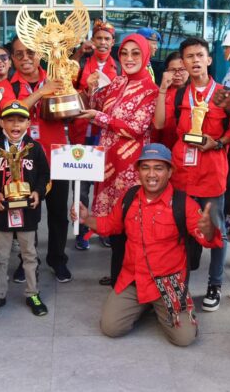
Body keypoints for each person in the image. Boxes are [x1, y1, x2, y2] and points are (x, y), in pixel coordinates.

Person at [72, 143, 221, 346]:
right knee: (111, 328)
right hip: (133, 279)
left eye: (158, 168)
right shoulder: (129, 197)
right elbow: (111, 225)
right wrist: (87, 218)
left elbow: (208, 240)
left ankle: (160, 306)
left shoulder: (183, 204)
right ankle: (148, 306)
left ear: (170, 172)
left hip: (168, 283)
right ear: (138, 171)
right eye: (145, 168)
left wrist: (209, 228)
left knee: (184, 338)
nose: (151, 174)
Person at [153, 37, 230, 312]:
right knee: (181, 230)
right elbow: (161, 124)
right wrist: (163, 90)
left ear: (209, 60)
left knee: (217, 231)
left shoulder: (224, 94)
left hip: (212, 173)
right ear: (184, 63)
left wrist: (219, 143)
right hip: (182, 173)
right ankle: (180, 281)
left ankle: (215, 284)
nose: (195, 60)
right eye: (189, 57)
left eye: (200, 55)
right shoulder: (179, 94)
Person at [76, 33, 158, 286]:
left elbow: (136, 128)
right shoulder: (117, 82)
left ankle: (131, 279)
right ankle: (117, 275)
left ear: (145, 56)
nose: (129, 58)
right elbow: (96, 103)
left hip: (130, 166)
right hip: (109, 162)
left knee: (131, 221)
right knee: (114, 222)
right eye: (124, 53)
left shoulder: (151, 90)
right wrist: (90, 88)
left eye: (136, 53)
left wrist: (99, 117)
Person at [0, 36, 72, 283]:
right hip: (24, 159)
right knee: (27, 214)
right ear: (12, 58)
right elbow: (10, 112)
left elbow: (73, 108)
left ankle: (57, 259)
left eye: (30, 52)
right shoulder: (7, 85)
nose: (25, 58)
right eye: (19, 54)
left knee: (58, 213)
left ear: (40, 54)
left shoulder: (57, 77)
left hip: (57, 156)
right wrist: (40, 92)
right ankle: (28, 261)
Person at [0, 101, 50, 316]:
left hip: (28, 210)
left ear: (28, 124)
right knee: (1, 256)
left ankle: (32, 293)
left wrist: (38, 192)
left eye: (20, 120)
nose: (15, 125)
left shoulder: (35, 148)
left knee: (29, 254)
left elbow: (44, 175)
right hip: (2, 210)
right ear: (1, 123)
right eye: (10, 120)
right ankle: (0, 293)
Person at [70, 19, 119, 250]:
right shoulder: (81, 63)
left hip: (106, 134)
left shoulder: (119, 67)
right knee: (81, 186)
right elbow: (66, 87)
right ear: (93, 40)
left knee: (106, 184)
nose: (102, 42)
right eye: (98, 38)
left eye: (107, 39)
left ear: (113, 42)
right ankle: (81, 231)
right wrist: (85, 88)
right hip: (82, 133)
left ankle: (105, 228)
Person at [151, 51, 188, 150]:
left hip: (187, 148)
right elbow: (157, 127)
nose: (177, 74)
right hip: (163, 149)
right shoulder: (159, 93)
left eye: (182, 69)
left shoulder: (195, 93)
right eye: (172, 70)